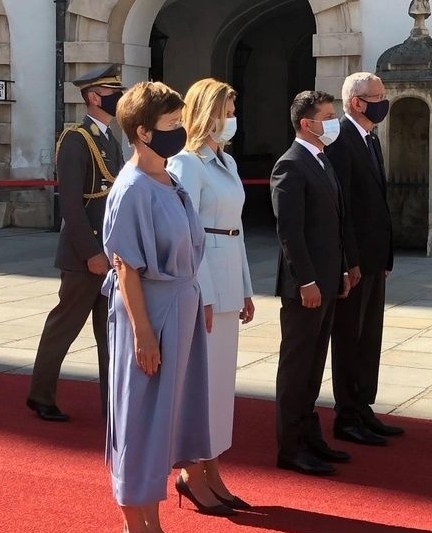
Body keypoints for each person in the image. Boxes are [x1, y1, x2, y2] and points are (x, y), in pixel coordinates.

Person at [103, 81, 217, 533]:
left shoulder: (170, 179)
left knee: (168, 419)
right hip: (149, 312)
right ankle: (136, 523)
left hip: (180, 308)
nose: (180, 131)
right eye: (172, 124)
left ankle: (153, 519)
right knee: (140, 418)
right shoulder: (131, 188)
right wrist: (144, 333)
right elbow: (125, 267)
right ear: (143, 132)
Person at [166, 79, 254, 512]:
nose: (233, 119)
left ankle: (213, 468)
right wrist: (200, 293)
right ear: (207, 113)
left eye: (234, 111)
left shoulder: (227, 162)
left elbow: (236, 230)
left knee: (220, 386)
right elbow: (187, 232)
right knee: (201, 385)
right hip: (204, 284)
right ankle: (192, 474)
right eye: (227, 111)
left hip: (230, 280)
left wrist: (247, 289)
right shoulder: (186, 163)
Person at [26, 65, 125, 422]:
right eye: (113, 94)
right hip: (85, 255)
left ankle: (113, 405)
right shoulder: (76, 138)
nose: (119, 99)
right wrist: (91, 253)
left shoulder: (110, 139)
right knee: (64, 327)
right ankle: (40, 395)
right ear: (94, 97)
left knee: (110, 332)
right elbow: (70, 204)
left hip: (108, 254)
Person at [270, 90, 351, 477]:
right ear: (307, 124)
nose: (334, 123)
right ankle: (290, 446)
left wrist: (343, 269)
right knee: (297, 366)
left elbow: (334, 223)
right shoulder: (290, 164)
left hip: (328, 278)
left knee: (315, 363)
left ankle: (309, 434)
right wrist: (306, 280)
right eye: (328, 117)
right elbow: (290, 231)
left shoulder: (321, 159)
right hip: (305, 286)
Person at [326, 72, 404, 447]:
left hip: (374, 257)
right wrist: (348, 260)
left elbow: (377, 202)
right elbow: (342, 208)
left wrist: (385, 256)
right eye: (377, 96)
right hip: (354, 261)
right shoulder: (341, 140)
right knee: (349, 337)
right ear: (356, 102)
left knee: (369, 336)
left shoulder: (370, 138)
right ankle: (346, 415)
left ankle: (362, 405)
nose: (383, 102)